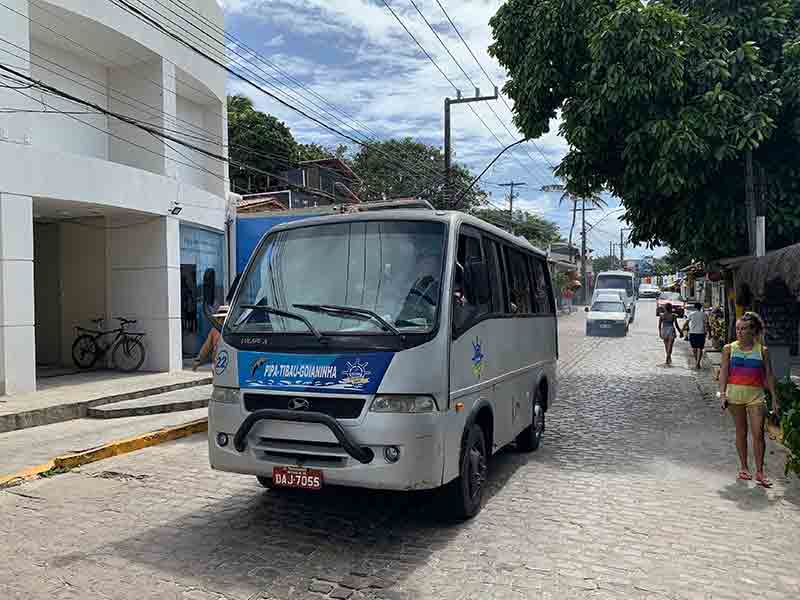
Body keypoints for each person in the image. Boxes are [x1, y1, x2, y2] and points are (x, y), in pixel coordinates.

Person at [718, 312, 780, 488]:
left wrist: (775, 399)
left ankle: (760, 471)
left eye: (743, 328)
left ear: (752, 331)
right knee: (741, 432)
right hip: (735, 396)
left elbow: (768, 376)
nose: (739, 331)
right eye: (738, 328)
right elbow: (723, 372)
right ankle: (744, 467)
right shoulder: (729, 349)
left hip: (756, 396)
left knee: (758, 433)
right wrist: (722, 394)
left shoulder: (762, 350)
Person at [192, 305, 228, 371]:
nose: (221, 320)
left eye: (223, 318)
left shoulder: (233, 330)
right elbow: (206, 347)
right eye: (220, 318)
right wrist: (197, 361)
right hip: (217, 364)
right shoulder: (214, 331)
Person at [683, 303, 709, 369]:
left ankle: (697, 362)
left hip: (692, 333)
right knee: (700, 348)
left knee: (694, 348)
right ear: (701, 307)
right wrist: (710, 333)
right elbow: (707, 325)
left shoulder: (691, 314)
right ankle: (698, 363)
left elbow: (686, 323)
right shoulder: (704, 315)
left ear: (694, 307)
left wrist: (682, 330)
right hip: (701, 333)